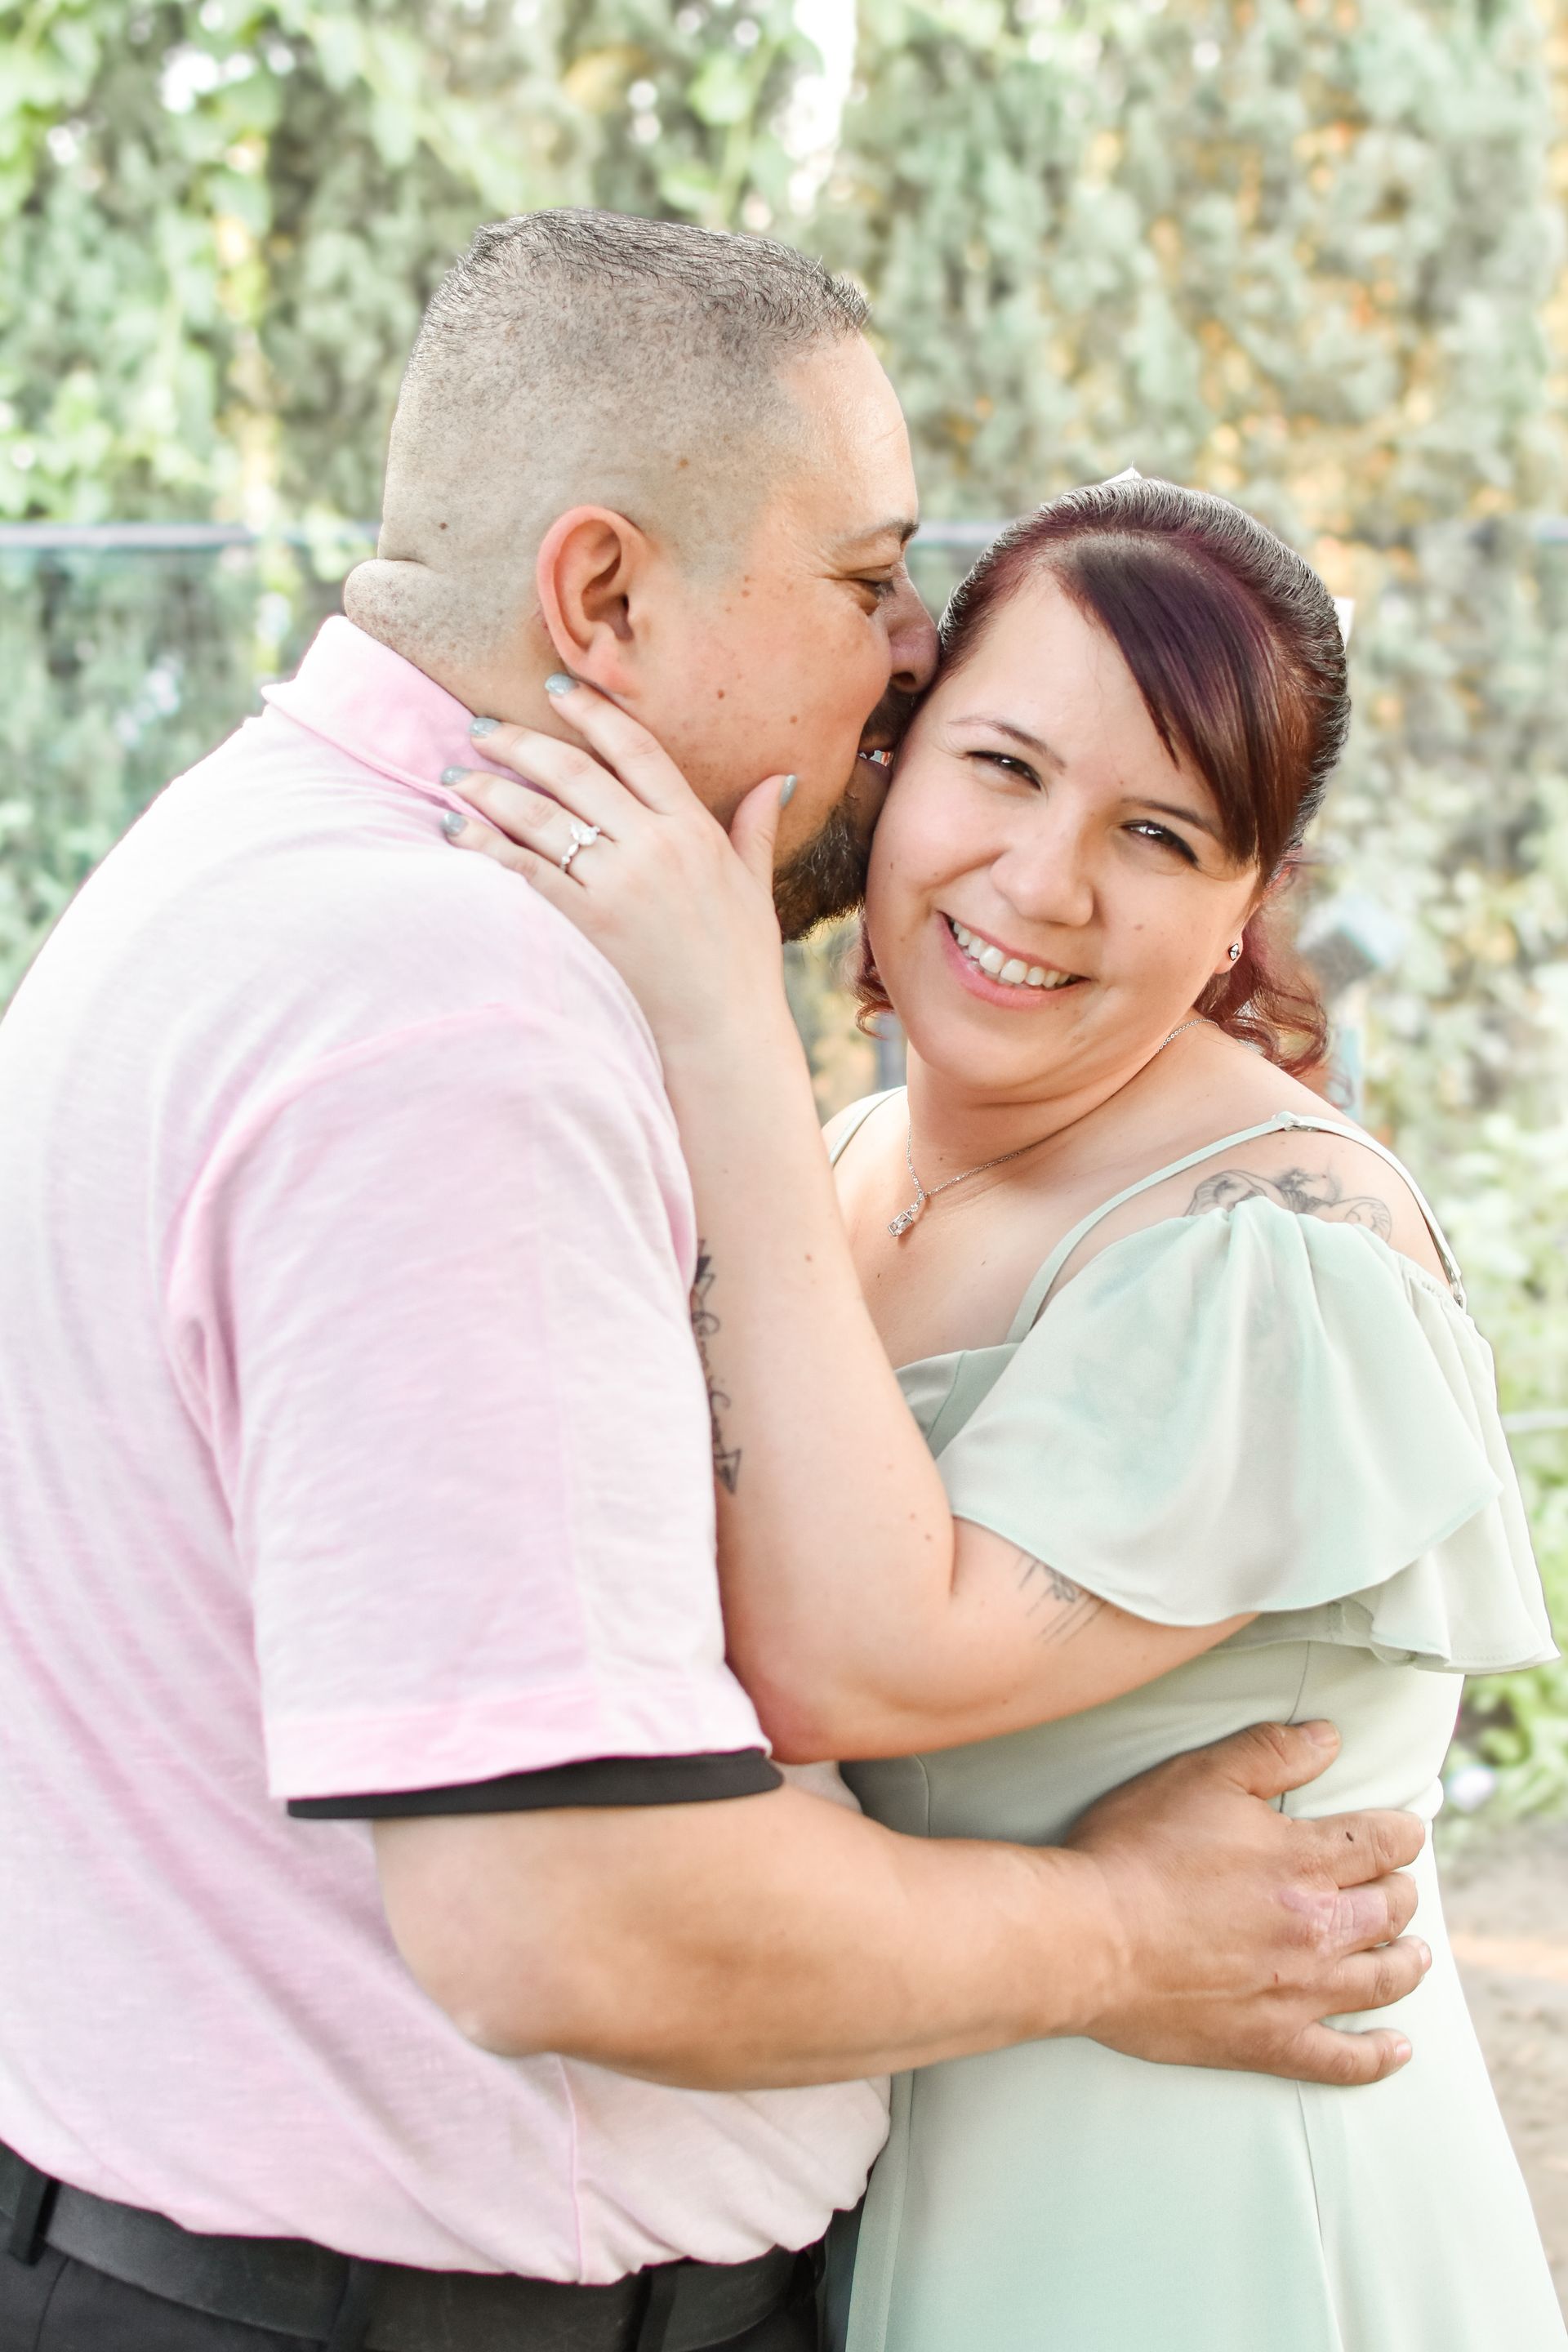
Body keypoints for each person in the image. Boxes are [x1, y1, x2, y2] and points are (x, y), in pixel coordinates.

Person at [0, 218, 1427, 2352]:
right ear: (603, 598)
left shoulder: (229, 866)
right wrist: (1127, 1934)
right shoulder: (454, 1015)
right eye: (865, 583)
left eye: (1162, 831)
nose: (908, 660)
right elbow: (572, 1919)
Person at [442, 470, 1566, 2351]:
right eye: (1005, 768)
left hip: (1209, 2241)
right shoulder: (861, 1162)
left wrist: (722, 1018)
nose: (1046, 884)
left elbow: (844, 1666)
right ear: (898, 760)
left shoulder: (1276, 1252)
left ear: (1238, 913)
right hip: (917, 2199)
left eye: (1159, 830)